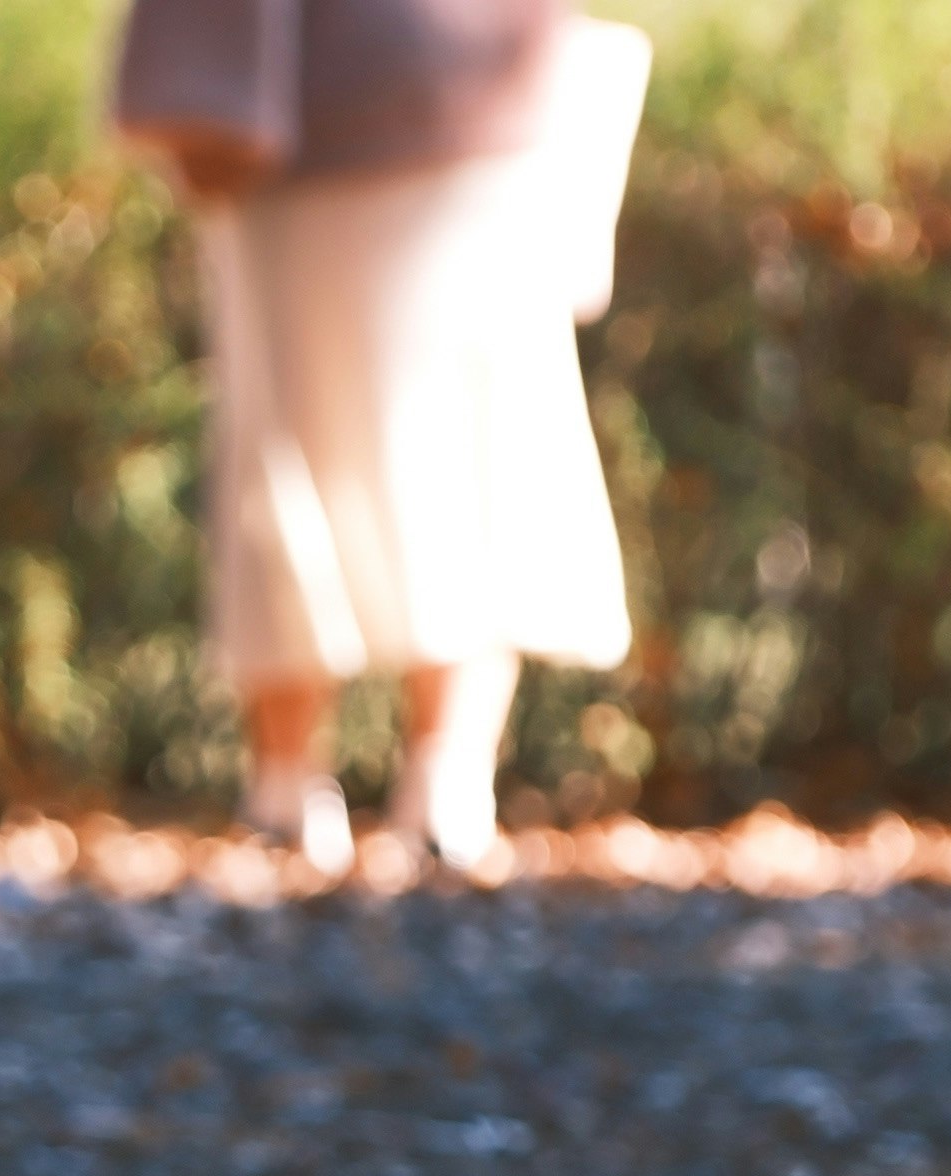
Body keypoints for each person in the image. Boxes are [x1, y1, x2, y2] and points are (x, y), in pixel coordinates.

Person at [113, 0, 644, 869]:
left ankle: (292, 790)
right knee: (475, 451)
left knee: (294, 447)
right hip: (483, 109)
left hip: (321, 122)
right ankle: (440, 786)